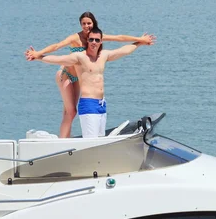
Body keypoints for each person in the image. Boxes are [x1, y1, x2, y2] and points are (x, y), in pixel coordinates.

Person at [25, 12, 155, 138]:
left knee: (70, 113)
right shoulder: (77, 45)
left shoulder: (100, 46)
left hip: (94, 96)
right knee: (70, 112)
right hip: (66, 74)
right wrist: (38, 55)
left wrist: (140, 41)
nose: (87, 27)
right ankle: (62, 141)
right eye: (83, 24)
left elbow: (120, 40)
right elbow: (57, 48)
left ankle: (67, 137)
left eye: (89, 23)